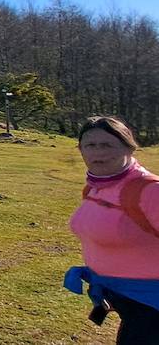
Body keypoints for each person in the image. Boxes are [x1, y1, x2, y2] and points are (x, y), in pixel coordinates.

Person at [64, 115, 159, 343]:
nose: (98, 152)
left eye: (107, 144)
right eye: (90, 145)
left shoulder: (149, 190)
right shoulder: (95, 188)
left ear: (129, 147)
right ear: (81, 150)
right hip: (125, 299)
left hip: (151, 304)